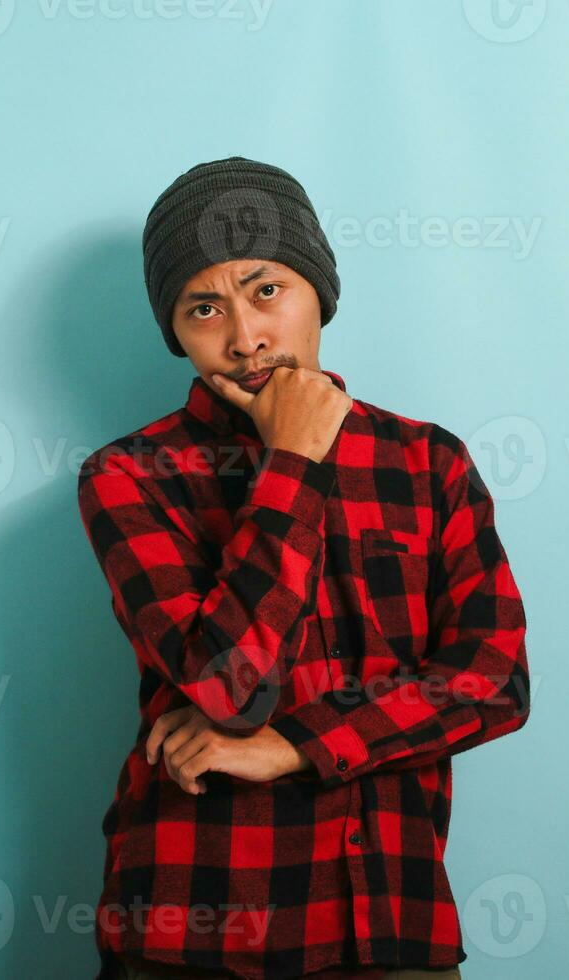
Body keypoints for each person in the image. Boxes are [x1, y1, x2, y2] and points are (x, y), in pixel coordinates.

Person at [76, 156, 532, 979]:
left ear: (320, 289)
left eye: (266, 291)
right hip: (193, 930)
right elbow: (228, 686)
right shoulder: (129, 476)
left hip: (389, 921)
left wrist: (293, 744)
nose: (245, 337)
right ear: (174, 329)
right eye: (203, 307)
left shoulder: (428, 463)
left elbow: (494, 681)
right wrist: (295, 457)